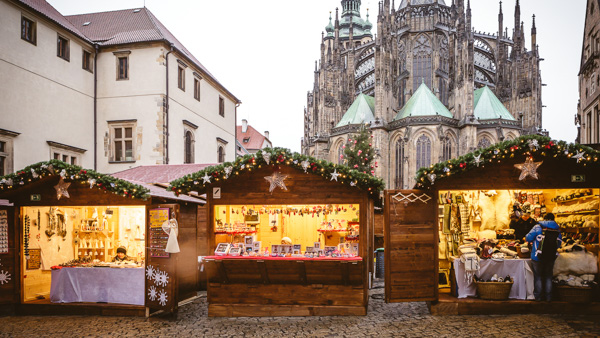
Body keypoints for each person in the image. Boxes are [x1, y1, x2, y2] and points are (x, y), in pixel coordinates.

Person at [526, 213, 562, 301]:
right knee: (548, 276)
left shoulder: (537, 227)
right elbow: (559, 244)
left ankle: (538, 297)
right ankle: (548, 297)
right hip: (551, 256)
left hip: (537, 256)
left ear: (544, 219)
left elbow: (528, 238)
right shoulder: (557, 229)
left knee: (538, 276)